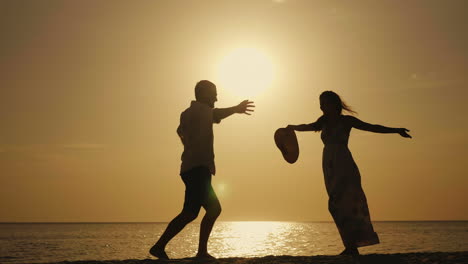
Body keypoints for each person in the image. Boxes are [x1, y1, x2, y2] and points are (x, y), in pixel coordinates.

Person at [286, 91, 411, 256]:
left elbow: (372, 127)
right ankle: (351, 246)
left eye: (324, 102)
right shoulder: (322, 122)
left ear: (334, 104)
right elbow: (307, 127)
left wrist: (396, 130)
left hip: (343, 163)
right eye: (320, 103)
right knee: (336, 205)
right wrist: (292, 127)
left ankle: (352, 246)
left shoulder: (346, 121)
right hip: (329, 166)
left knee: (346, 203)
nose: (321, 106)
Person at [149, 80, 255, 260]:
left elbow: (179, 130)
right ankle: (192, 251)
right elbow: (216, 113)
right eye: (213, 93)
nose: (216, 97)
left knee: (196, 211)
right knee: (204, 210)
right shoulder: (200, 111)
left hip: (192, 167)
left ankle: (167, 248)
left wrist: (188, 146)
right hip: (197, 169)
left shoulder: (187, 113)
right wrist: (236, 108)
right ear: (203, 94)